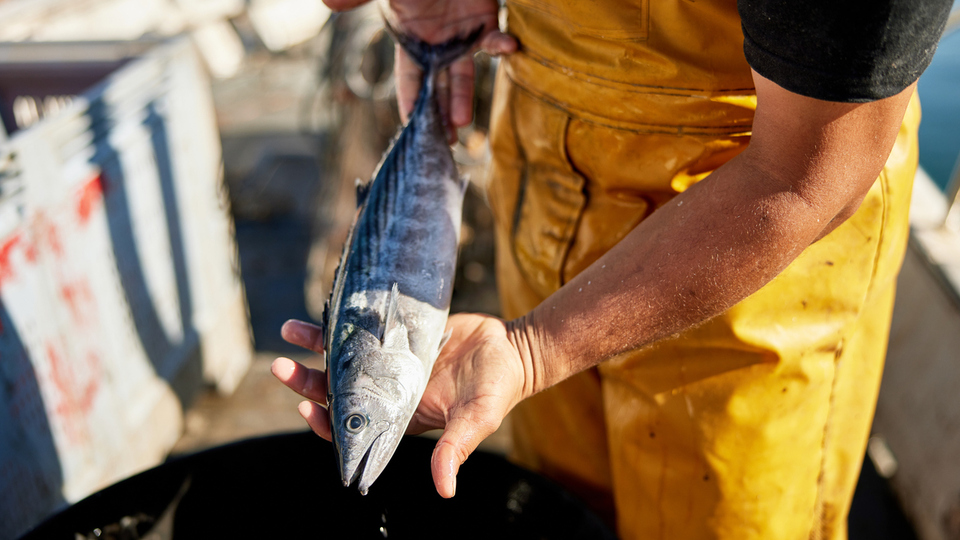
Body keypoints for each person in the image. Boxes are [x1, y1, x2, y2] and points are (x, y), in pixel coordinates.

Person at [273, 0, 953, 537]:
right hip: (544, 187)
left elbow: (807, 179)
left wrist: (534, 349)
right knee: (566, 511)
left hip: (750, 254)